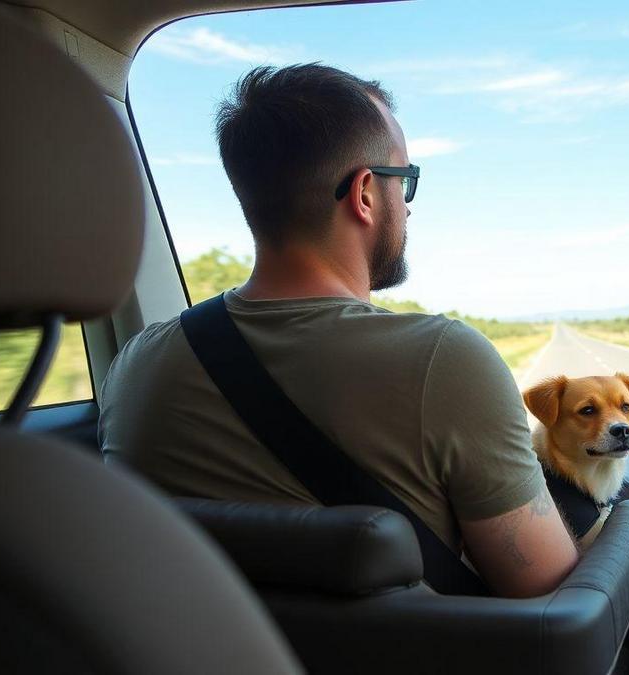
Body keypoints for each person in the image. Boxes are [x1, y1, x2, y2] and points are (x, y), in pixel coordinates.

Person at [99, 63, 578, 598]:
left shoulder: (136, 365)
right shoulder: (443, 360)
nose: (410, 207)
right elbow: (549, 602)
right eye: (406, 180)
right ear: (366, 193)